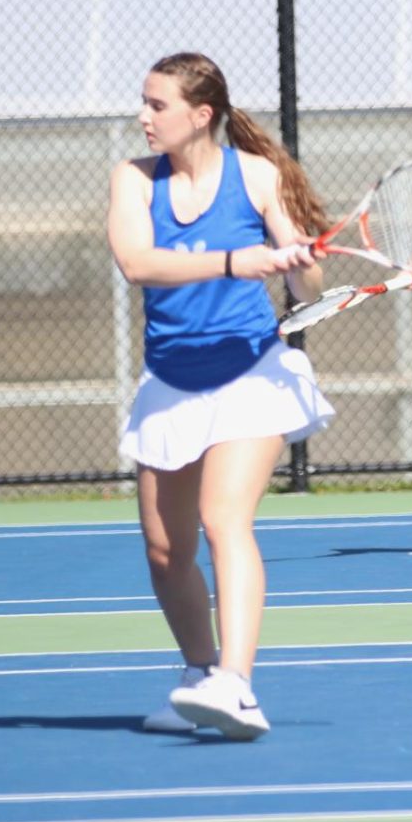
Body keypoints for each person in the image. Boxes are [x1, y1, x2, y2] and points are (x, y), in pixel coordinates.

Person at [108, 52, 334, 740]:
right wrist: (239, 260)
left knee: (222, 519)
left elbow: (311, 292)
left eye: (157, 106)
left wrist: (298, 266)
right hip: (171, 380)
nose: (143, 117)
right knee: (164, 549)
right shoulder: (133, 181)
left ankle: (237, 683)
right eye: (143, 104)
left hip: (250, 375)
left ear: (200, 115)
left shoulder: (260, 176)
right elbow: (138, 263)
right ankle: (199, 673)